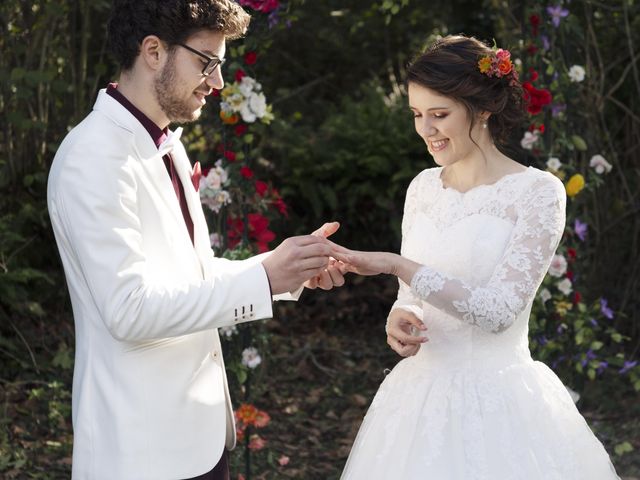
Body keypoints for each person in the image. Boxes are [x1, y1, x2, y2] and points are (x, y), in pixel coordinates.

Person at [46, 1, 345, 479]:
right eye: (207, 61)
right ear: (153, 51)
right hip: (141, 451)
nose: (219, 82)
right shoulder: (93, 157)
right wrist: (262, 280)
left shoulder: (167, 143)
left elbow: (192, 274)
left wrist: (286, 270)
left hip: (197, 439)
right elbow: (129, 309)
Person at [332, 35, 620, 479]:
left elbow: (499, 311)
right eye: (416, 115)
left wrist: (394, 263)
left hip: (501, 404)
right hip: (418, 403)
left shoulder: (537, 193)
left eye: (439, 114)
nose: (425, 129)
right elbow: (411, 293)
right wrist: (401, 313)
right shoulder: (422, 187)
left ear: (482, 109)